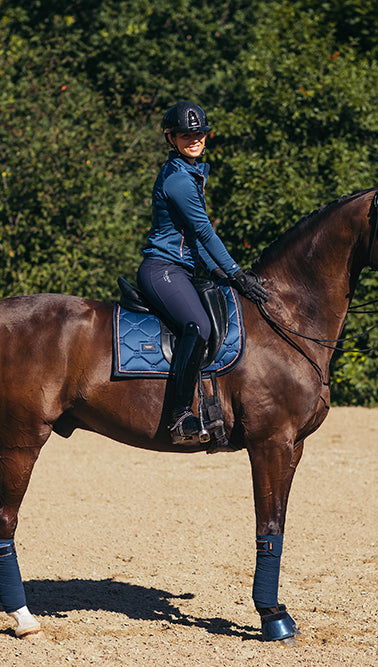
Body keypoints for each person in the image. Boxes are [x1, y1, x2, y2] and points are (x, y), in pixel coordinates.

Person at [138, 101, 269, 445]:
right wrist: (236, 273)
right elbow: (205, 233)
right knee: (199, 327)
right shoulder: (178, 180)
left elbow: (196, 242)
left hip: (186, 268)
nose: (194, 139)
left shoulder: (191, 172)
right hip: (163, 269)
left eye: (198, 133)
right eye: (185, 134)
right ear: (172, 139)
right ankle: (179, 415)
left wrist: (222, 274)